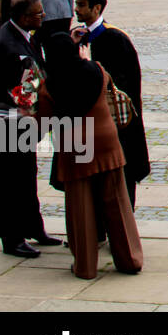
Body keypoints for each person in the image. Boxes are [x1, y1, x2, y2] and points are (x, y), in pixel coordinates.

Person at [35, 32, 143, 279]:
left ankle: (85, 266)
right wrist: (84, 58)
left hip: (75, 150)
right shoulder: (96, 70)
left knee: (81, 210)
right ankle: (130, 260)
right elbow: (105, 81)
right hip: (106, 142)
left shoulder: (50, 85)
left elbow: (41, 123)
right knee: (117, 203)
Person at [0, 0, 61, 257]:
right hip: (11, 120)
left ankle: (33, 226)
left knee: (26, 173)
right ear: (23, 17)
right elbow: (23, 88)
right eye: (38, 13)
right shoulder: (10, 46)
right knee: (12, 179)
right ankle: (12, 238)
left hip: (22, 119)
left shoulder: (21, 34)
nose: (42, 16)